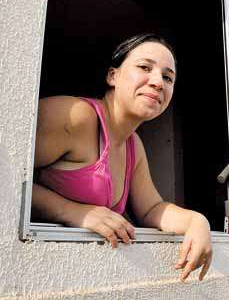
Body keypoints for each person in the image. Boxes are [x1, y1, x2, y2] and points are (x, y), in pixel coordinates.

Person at [32, 33, 212, 282]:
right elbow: (8, 174)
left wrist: (197, 221)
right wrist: (70, 211)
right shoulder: (75, 116)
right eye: (144, 67)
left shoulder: (133, 146)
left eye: (168, 77)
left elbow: (151, 209)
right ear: (112, 76)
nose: (158, 82)